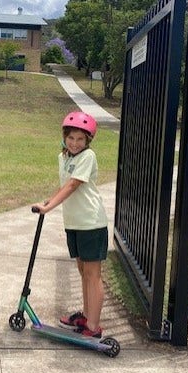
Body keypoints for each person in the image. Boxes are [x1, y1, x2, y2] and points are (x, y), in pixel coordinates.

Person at [33, 111, 108, 339]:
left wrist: (50, 207)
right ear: (65, 137)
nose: (75, 143)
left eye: (80, 139)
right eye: (71, 138)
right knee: (83, 271)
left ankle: (93, 327)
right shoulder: (64, 157)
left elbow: (73, 185)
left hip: (91, 223)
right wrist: (48, 200)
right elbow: (64, 185)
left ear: (88, 141)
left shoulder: (88, 157)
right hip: (74, 223)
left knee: (93, 274)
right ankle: (86, 315)